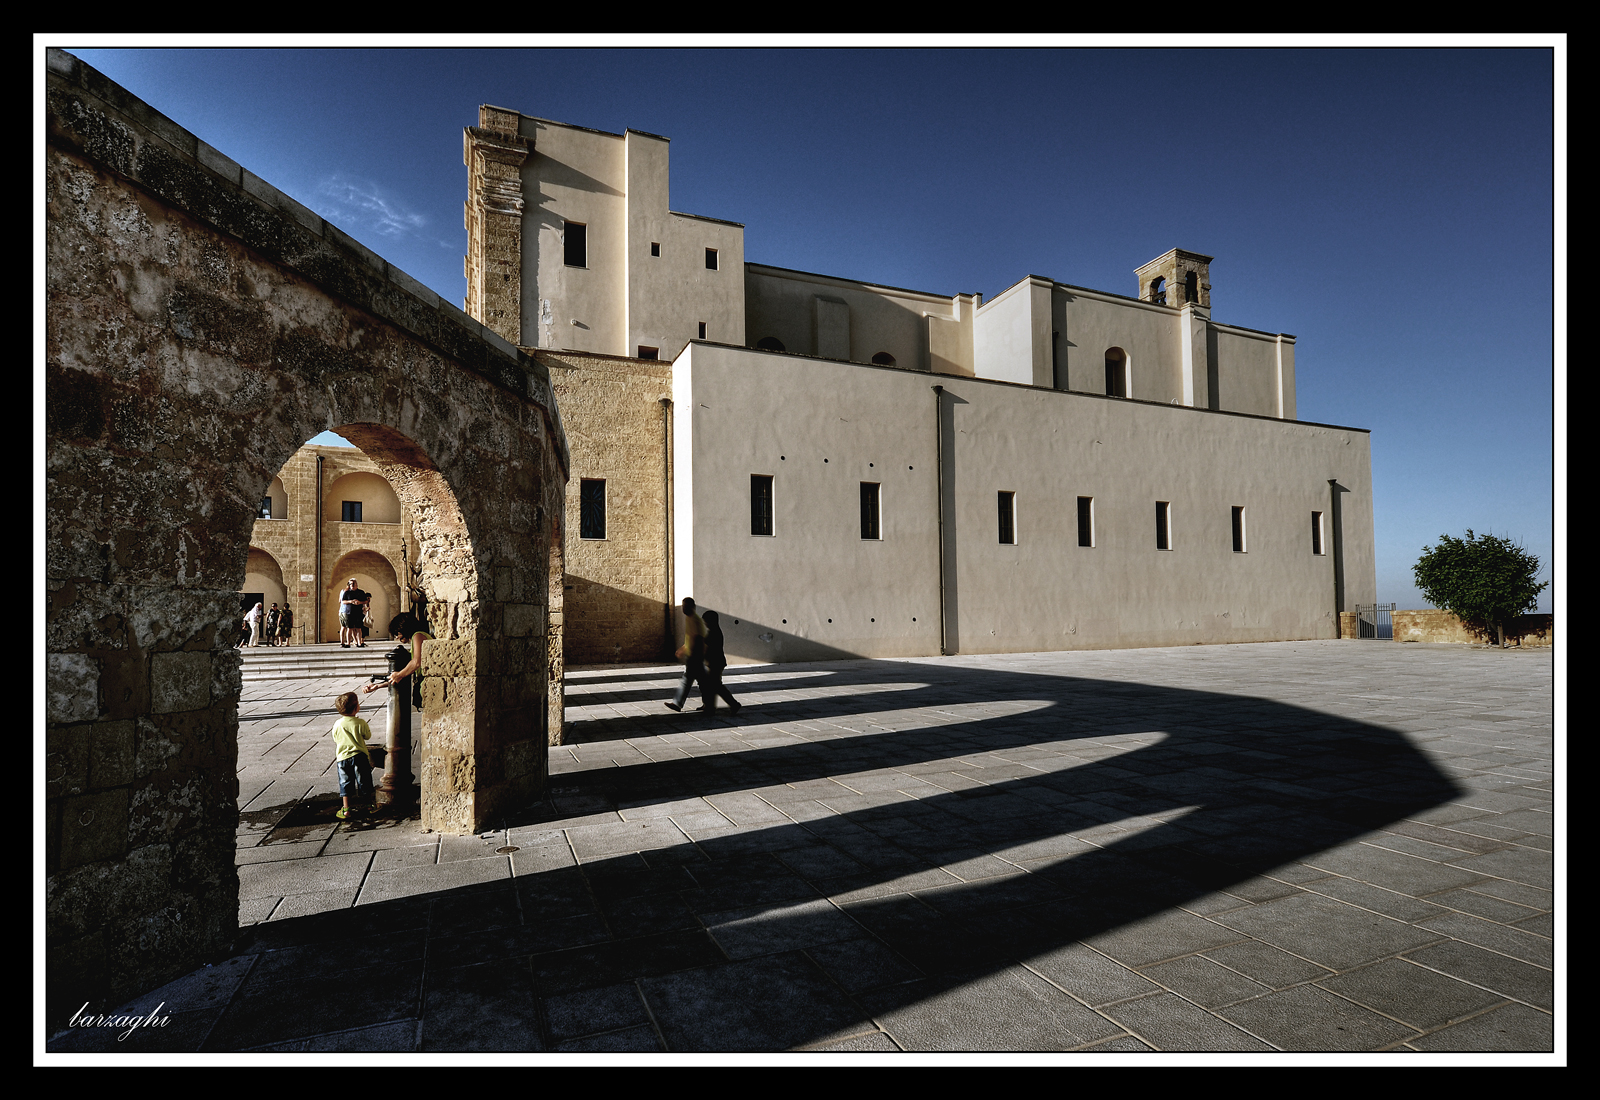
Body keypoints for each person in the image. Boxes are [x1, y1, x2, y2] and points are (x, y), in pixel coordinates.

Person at [362, 611, 432, 707]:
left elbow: (416, 662)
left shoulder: (418, 636)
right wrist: (378, 685)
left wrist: (399, 675)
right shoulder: (418, 637)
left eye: (397, 633)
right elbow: (406, 671)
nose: (397, 637)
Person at [328, 691, 375, 820]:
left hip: (342, 758)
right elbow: (368, 736)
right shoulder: (360, 723)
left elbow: (335, 738)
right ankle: (369, 805)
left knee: (345, 782)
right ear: (356, 708)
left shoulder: (337, 724)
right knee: (364, 781)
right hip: (360, 756)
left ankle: (346, 809)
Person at [665, 597, 706, 712]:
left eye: (686, 606)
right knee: (701, 681)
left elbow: (698, 638)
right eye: (683, 606)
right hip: (693, 655)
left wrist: (695, 654)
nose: (684, 609)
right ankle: (708, 703)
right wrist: (683, 649)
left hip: (695, 655)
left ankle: (677, 703)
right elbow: (690, 638)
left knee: (688, 679)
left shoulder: (695, 620)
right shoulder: (689, 619)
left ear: (693, 607)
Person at [697, 610, 742, 715]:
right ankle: (711, 707)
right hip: (715, 662)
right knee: (714, 686)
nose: (705, 624)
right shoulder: (715, 631)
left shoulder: (713, 633)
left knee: (716, 686)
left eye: (706, 621)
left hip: (715, 663)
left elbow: (708, 648)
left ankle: (733, 704)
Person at [338, 579, 371, 649]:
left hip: (358, 612)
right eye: (350, 584)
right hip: (349, 612)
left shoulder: (361, 592)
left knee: (358, 628)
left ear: (356, 584)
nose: (352, 585)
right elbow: (343, 601)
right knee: (349, 628)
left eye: (353, 584)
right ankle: (348, 643)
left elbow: (365, 601)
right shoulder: (347, 593)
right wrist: (351, 601)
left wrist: (359, 602)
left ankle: (359, 643)